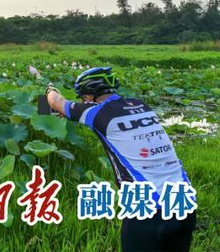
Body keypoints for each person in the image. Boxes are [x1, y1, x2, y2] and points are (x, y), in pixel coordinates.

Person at [46, 66, 196, 252]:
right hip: (185, 203)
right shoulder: (142, 106)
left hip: (148, 210)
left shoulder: (97, 113)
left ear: (89, 97)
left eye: (83, 97)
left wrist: (50, 88)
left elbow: (54, 101)